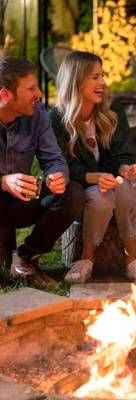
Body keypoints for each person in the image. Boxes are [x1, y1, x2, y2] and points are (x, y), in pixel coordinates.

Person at [49, 50, 136, 287]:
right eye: (94, 77)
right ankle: (87, 259)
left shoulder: (111, 109)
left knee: (127, 189)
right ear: (76, 80)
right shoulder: (55, 119)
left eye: (102, 75)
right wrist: (92, 176)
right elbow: (60, 164)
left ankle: (132, 262)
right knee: (99, 196)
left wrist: (127, 169)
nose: (103, 82)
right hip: (79, 191)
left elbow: (121, 153)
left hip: (112, 183)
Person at [0, 57, 85, 289]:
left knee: (73, 193)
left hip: (23, 201)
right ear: (5, 95)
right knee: (1, 272)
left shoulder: (37, 115)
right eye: (30, 89)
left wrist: (56, 176)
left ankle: (26, 256)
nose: (39, 94)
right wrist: (4, 182)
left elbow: (54, 159)